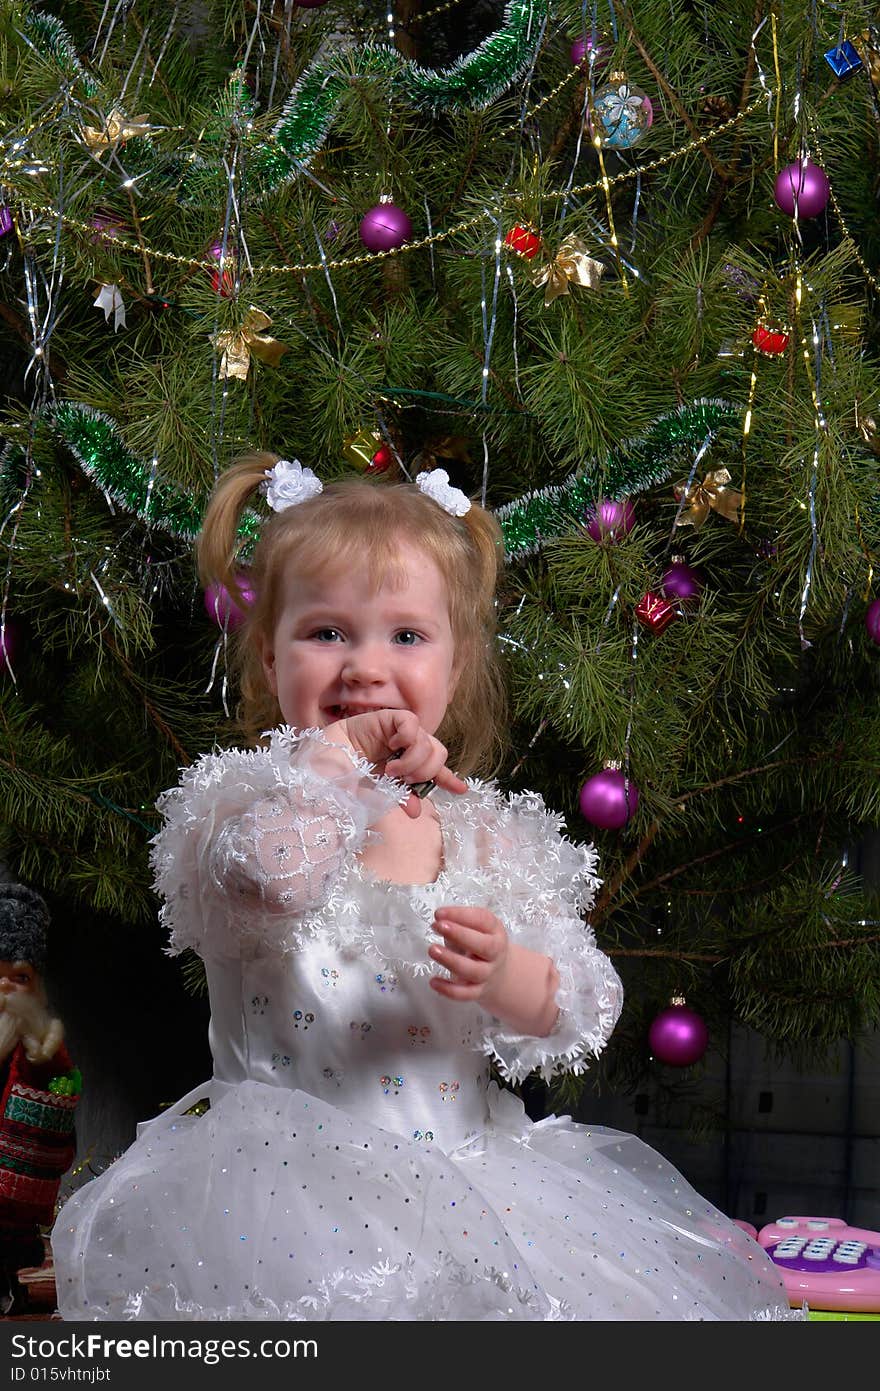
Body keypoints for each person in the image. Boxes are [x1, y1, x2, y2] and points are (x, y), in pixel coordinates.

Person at [52, 457, 797, 1321]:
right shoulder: (243, 802)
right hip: (285, 1202)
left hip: (470, 1182)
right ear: (268, 652)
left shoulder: (483, 832)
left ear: (455, 662)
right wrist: (334, 763)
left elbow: (581, 999)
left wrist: (507, 974)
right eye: (327, 632)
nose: (365, 668)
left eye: (405, 636)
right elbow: (273, 877)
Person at [0, 882, 79, 1314]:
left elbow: (62, 1097)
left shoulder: (42, 1046)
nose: (5, 989)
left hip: (12, 1178)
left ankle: (8, 1279)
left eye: (20, 977)